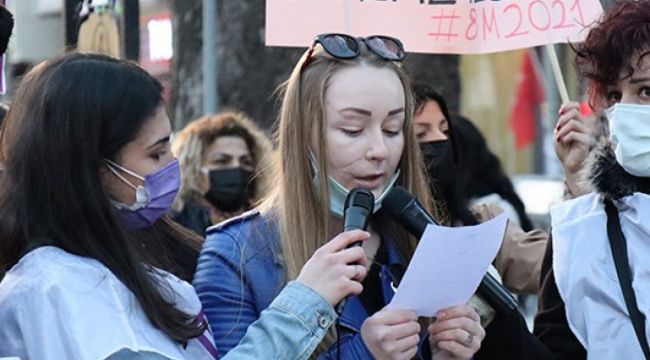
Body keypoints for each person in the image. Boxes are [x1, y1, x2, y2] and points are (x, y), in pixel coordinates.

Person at [0, 53, 369, 359]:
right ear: (92, 168)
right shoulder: (57, 287)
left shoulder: (137, 259)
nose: (171, 164)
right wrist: (305, 303)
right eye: (156, 153)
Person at [194, 33, 485, 360]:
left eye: (392, 129)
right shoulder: (235, 254)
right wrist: (364, 353)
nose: (379, 151)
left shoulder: (414, 236)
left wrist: (446, 352)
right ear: (302, 134)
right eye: (352, 130)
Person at [534, 1, 650, 358]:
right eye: (615, 95)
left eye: (646, 91)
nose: (625, 109)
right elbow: (554, 346)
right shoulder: (583, 224)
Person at [413, 84, 546, 295]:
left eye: (445, 131)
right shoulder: (379, 230)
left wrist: (576, 180)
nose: (439, 140)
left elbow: (552, 265)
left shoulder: (482, 221)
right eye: (421, 134)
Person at [171, 111, 271, 237]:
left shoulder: (267, 229)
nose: (236, 168)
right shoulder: (176, 230)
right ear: (194, 171)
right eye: (222, 161)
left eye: (245, 162)